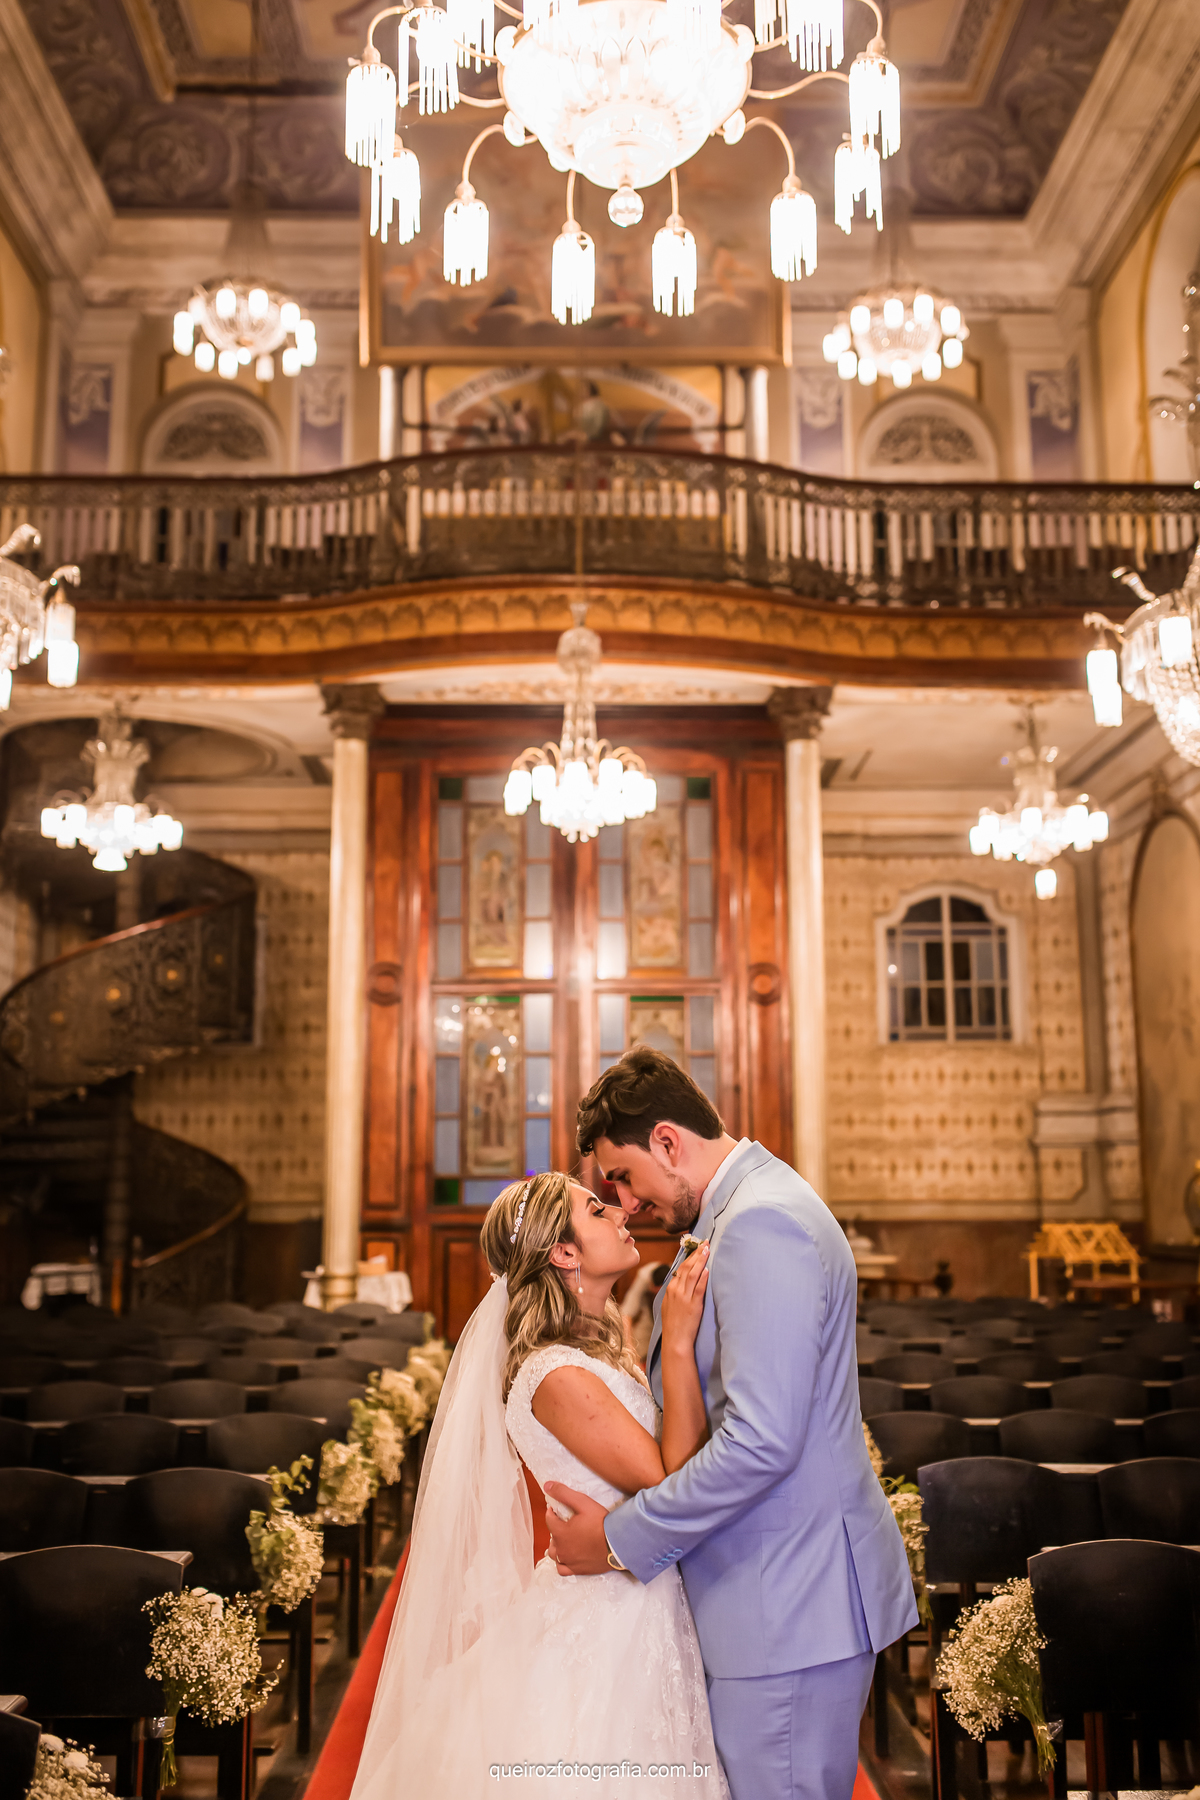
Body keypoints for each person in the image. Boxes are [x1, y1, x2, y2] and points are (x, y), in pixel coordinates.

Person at [546, 1046, 918, 1800]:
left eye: (620, 1175)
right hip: (774, 1596)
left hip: (787, 1602)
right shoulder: (744, 1210)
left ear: (668, 1142)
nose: (625, 1200)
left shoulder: (759, 1224)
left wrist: (620, 1540)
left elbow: (762, 1441)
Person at [349, 1170, 730, 1800]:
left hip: (636, 1592)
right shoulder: (554, 1373)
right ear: (564, 1253)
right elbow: (669, 1475)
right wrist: (683, 1343)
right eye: (596, 1210)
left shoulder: (596, 1345)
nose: (618, 1212)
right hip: (610, 1612)